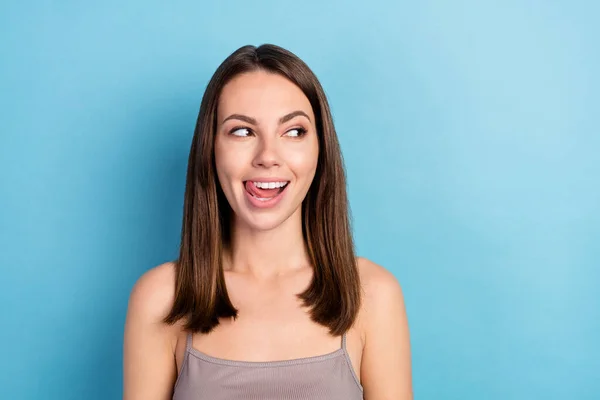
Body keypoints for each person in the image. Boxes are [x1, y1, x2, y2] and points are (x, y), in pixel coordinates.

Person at [123, 44, 412, 400]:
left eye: (293, 131)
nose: (268, 158)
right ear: (210, 149)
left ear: (321, 150)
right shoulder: (161, 298)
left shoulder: (372, 294)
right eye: (242, 131)